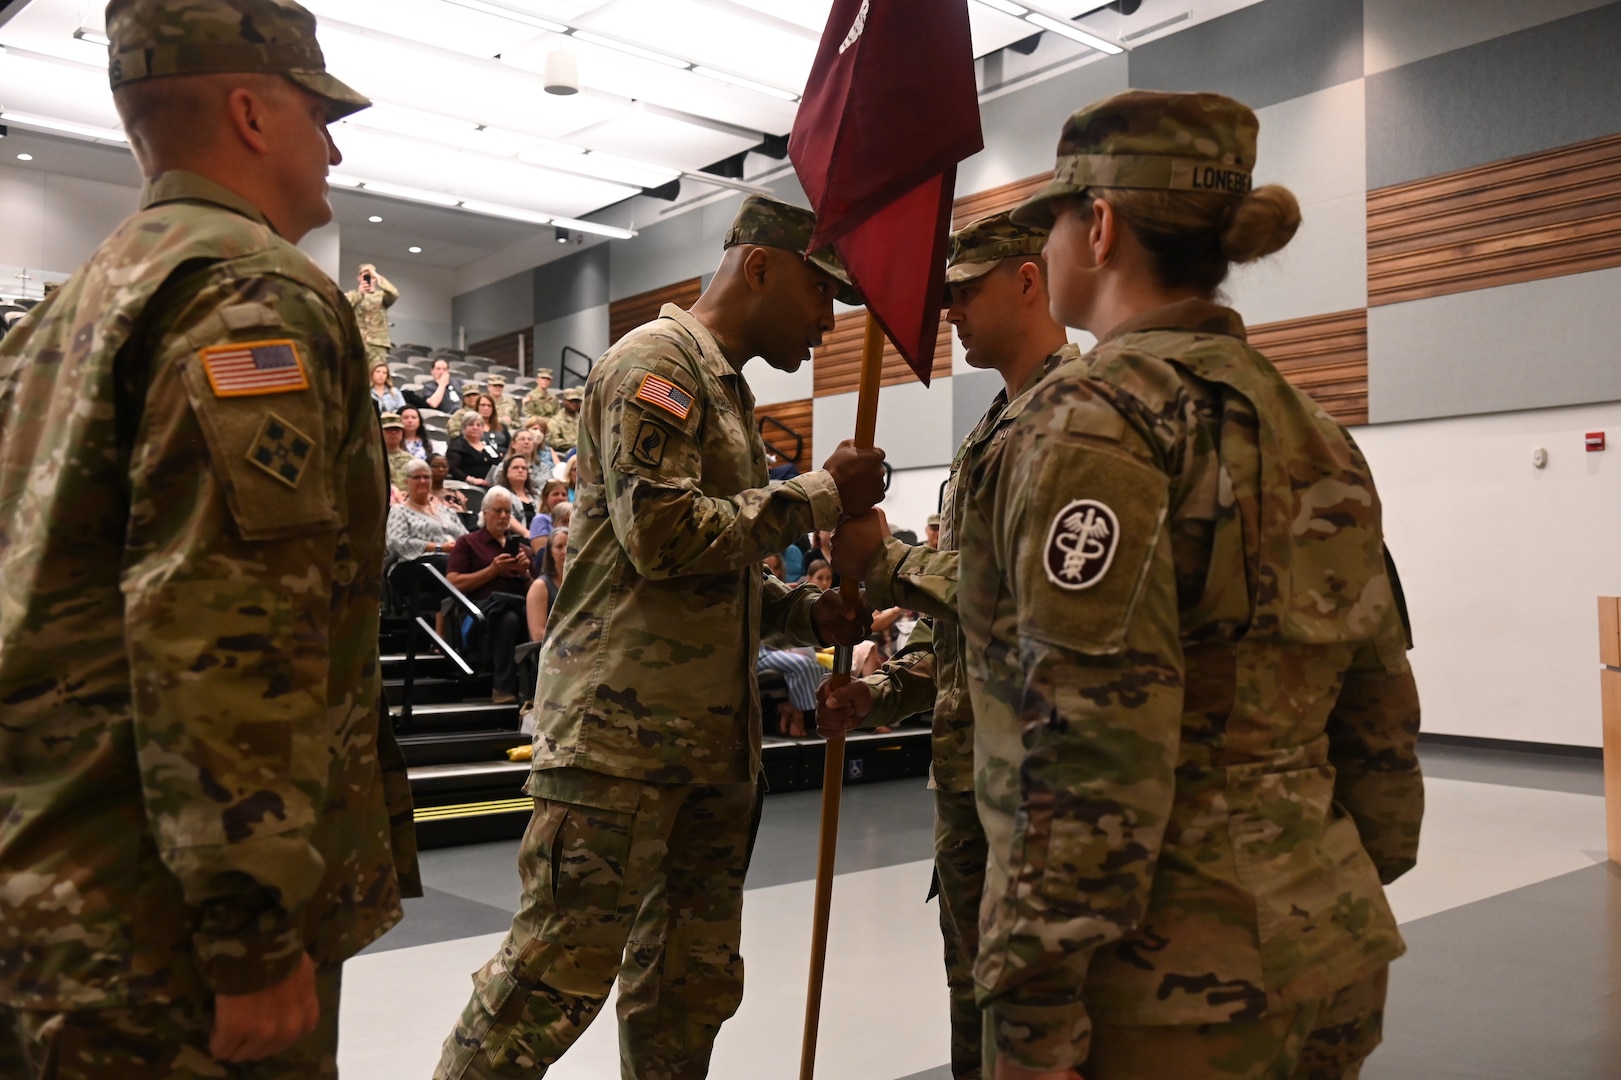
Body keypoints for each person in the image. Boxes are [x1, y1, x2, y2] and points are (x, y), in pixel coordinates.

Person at [889, 91, 1424, 1080]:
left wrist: (1033, 1017)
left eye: (1053, 219)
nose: (1046, 245)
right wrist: (1326, 880)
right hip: (1329, 948)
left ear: (1097, 227)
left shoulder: (1088, 426)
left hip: (1165, 996)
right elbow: (1379, 715)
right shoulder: (1318, 432)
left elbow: (1080, 754)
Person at [0, 2, 420, 1077]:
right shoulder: (251, 293)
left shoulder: (70, 312)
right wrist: (251, 928)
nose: (333, 142)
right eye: (317, 112)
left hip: (55, 892)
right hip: (161, 937)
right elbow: (221, 623)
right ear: (248, 110)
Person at [434, 193, 886, 1080]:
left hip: (710, 747)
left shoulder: (726, 390)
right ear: (758, 265)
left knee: (689, 983)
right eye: (817, 292)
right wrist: (821, 494)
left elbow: (715, 569)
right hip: (619, 743)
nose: (827, 323)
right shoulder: (656, 366)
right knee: (550, 980)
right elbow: (663, 534)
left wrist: (804, 611)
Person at [823, 208, 1082, 1080]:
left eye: (966, 292)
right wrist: (883, 693)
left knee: (1035, 1019)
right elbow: (966, 638)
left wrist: (888, 562)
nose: (951, 315)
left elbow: (1027, 604)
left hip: (1037, 785)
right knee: (973, 996)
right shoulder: (997, 427)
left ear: (1026, 279)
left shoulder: (1072, 420)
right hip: (972, 773)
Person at [446, 485, 533, 705]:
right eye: (498, 511)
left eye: (507, 511)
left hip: (518, 605)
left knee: (529, 613)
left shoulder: (521, 548)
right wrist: (491, 571)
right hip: (480, 612)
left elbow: (533, 591)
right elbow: (453, 582)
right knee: (507, 617)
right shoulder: (468, 542)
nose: (504, 516)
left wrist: (524, 575)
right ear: (485, 513)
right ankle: (502, 688)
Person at [386, 457, 467, 574]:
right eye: (417, 477)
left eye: (426, 477)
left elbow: (465, 537)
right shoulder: (399, 511)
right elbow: (397, 543)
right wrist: (439, 547)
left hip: (450, 560)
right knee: (449, 562)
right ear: (406, 481)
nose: (422, 481)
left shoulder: (445, 510)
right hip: (413, 565)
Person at [345, 261, 398, 365]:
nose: (368, 277)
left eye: (370, 276)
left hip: (377, 344)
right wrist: (359, 294)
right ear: (359, 278)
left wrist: (377, 276)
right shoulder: (352, 295)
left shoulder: (381, 296)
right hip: (356, 343)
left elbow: (394, 293)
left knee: (376, 373)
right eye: (364, 275)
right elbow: (343, 308)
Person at [524, 526, 569, 642]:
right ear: (550, 552)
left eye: (569, 546)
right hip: (553, 651)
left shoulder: (582, 582)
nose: (565, 551)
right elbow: (538, 635)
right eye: (559, 547)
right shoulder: (540, 586)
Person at [447, 412, 501, 486]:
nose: (475, 428)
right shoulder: (457, 445)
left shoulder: (488, 447)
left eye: (478, 425)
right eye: (471, 424)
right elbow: (452, 468)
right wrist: (471, 480)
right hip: (467, 486)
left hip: (489, 486)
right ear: (464, 427)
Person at [495, 454, 539, 528]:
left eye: (524, 468)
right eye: (515, 467)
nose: (520, 470)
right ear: (506, 472)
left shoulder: (537, 495)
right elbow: (505, 518)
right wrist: (525, 533)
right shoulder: (499, 493)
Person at [527, 478, 571, 551]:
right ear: (545, 498)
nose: (560, 498)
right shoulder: (540, 520)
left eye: (564, 494)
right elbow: (541, 553)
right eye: (555, 494)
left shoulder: (573, 518)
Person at [381, 410, 415, 492]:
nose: (393, 433)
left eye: (397, 429)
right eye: (389, 430)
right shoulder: (373, 459)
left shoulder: (412, 461)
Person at [545, 385, 583, 454]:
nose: (574, 404)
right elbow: (553, 441)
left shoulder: (583, 420)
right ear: (564, 401)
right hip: (565, 453)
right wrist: (574, 444)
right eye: (571, 401)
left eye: (576, 401)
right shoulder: (555, 421)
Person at [477, 392, 510, 456]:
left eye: (489, 406)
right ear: (477, 407)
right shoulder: (472, 427)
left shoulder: (502, 427)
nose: (486, 408)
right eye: (483, 405)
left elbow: (509, 447)